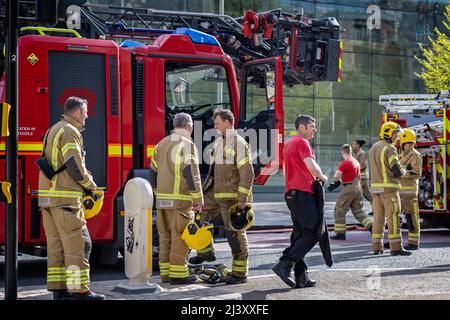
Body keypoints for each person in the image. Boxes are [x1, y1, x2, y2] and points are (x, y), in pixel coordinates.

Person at [38, 96, 105, 300]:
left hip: (48, 199)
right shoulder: (70, 131)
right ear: (76, 113)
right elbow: (74, 164)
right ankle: (80, 290)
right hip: (65, 200)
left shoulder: (54, 129)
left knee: (57, 246)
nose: (87, 115)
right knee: (80, 244)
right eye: (85, 112)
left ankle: (60, 291)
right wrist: (91, 186)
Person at [188, 109, 254, 285]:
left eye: (217, 123)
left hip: (232, 198)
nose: (215, 126)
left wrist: (242, 198)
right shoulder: (219, 143)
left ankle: (240, 274)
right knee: (197, 217)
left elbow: (248, 172)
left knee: (235, 234)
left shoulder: (239, 143)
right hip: (214, 193)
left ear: (227, 122)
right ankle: (205, 252)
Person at [272, 114, 327, 289]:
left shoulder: (289, 144)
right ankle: (285, 263)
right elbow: (311, 165)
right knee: (313, 232)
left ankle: (301, 276)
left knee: (300, 234)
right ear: (302, 127)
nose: (315, 129)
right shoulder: (302, 143)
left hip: (292, 194)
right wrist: (322, 176)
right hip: (303, 193)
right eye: (312, 126)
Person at [149, 112, 204, 285]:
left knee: (164, 238)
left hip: (162, 202)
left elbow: (152, 173)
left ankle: (165, 274)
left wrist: (158, 193)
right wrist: (198, 198)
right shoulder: (187, 144)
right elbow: (191, 173)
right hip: (180, 202)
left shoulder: (161, 144)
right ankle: (179, 275)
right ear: (188, 126)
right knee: (180, 238)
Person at [369, 121, 411, 256]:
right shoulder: (390, 148)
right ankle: (396, 248)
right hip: (389, 190)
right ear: (388, 133)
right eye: (395, 134)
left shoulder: (374, 147)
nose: (397, 137)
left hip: (376, 191)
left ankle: (377, 247)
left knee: (378, 219)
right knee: (393, 218)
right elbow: (397, 170)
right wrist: (405, 172)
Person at [329, 144, 373, 240]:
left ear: (343, 152)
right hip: (358, 187)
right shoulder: (356, 162)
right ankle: (372, 227)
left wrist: (336, 182)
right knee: (359, 211)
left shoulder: (345, 162)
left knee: (339, 210)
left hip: (348, 188)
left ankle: (340, 234)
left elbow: (336, 176)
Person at [399, 129, 422, 250]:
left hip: (410, 192)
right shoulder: (401, 155)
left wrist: (401, 174)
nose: (404, 145)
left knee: (411, 217)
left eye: (407, 143)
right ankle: (396, 242)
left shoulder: (415, 155)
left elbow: (417, 173)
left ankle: (413, 242)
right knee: (395, 217)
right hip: (399, 192)